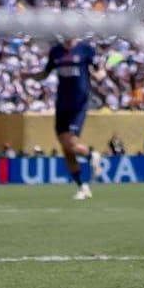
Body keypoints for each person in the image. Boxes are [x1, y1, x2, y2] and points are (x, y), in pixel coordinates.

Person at [43, 40, 98, 200]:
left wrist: (100, 74)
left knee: (71, 143)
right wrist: (28, 75)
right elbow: (45, 73)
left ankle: (92, 155)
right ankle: (82, 187)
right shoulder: (56, 51)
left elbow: (98, 71)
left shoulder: (85, 49)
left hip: (78, 104)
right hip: (62, 104)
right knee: (66, 149)